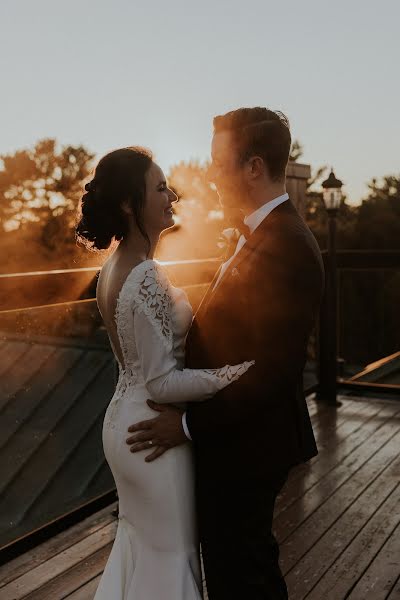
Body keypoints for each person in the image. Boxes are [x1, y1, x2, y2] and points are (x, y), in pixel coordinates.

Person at [126, 108, 325, 599]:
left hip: (248, 444)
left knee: (243, 574)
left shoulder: (287, 246)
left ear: (254, 167)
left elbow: (271, 371)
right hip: (240, 438)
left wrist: (189, 425)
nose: (211, 174)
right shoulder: (259, 234)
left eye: (220, 163)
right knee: (240, 565)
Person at [75, 146, 254, 599]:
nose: (171, 195)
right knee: (171, 559)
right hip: (154, 432)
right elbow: (162, 382)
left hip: (122, 422)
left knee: (142, 552)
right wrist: (234, 375)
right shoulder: (146, 275)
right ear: (127, 204)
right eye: (159, 188)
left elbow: (143, 353)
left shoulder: (113, 268)